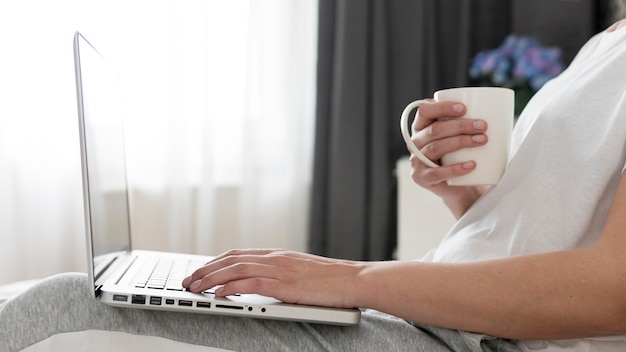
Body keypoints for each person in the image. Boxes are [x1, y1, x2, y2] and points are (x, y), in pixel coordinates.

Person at [2, 6, 626, 352]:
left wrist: (350, 280)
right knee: (51, 295)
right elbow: (552, 237)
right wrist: (468, 198)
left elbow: (611, 290)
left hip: (473, 343)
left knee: (66, 305)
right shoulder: (608, 45)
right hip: (443, 319)